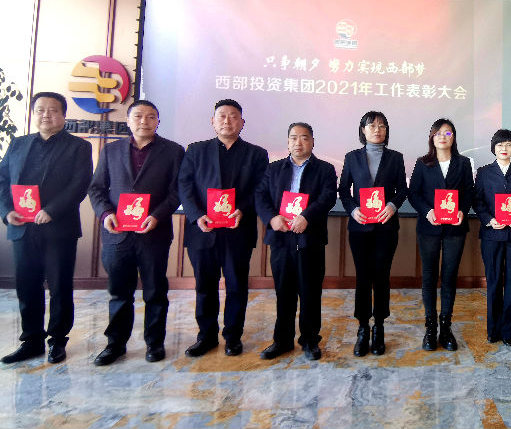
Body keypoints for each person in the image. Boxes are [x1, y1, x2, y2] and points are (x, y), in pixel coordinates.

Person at [86, 100, 185, 365]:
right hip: (117, 234)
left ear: (158, 122)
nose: (144, 121)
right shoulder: (111, 150)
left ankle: (155, 343)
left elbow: (177, 191)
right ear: (128, 121)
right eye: (138, 116)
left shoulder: (173, 151)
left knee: (155, 292)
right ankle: (115, 344)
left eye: (151, 117)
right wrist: (106, 214)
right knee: (119, 292)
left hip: (154, 232)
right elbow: (96, 189)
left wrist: (157, 215)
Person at [0, 92, 92, 364]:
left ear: (63, 115)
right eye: (40, 110)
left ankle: (58, 341)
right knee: (26, 284)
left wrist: (52, 210)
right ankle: (31, 340)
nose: (46, 115)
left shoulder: (78, 146)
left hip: (58, 228)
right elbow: (2, 180)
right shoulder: (18, 144)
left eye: (53, 110)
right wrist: (6, 212)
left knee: (60, 285)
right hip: (22, 227)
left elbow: (79, 184)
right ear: (33, 113)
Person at [178, 99, 269, 357]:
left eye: (233, 116)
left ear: (242, 122)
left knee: (237, 286)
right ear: (213, 121)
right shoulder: (196, 150)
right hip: (203, 230)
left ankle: (233, 337)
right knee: (204, 287)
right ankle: (206, 337)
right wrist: (197, 215)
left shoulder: (256, 154)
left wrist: (243, 208)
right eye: (222, 116)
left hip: (238, 231)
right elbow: (184, 185)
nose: (227, 121)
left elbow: (261, 189)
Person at [255, 122, 337, 360]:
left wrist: (307, 217)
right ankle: (282, 341)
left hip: (310, 240)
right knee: (284, 292)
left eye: (304, 137)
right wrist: (272, 218)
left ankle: (310, 340)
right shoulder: (273, 168)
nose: (298, 142)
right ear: (288, 142)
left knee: (310, 293)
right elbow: (260, 195)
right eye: (293, 138)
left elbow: (328, 196)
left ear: (312, 141)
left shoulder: (325, 169)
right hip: (281, 239)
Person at [338, 111, 408, 356]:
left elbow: (403, 190)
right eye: (371, 125)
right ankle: (362, 328)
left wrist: (392, 205)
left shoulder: (396, 158)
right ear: (363, 130)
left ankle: (379, 326)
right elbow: (343, 190)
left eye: (382, 126)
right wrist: (352, 209)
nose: (377, 130)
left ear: (386, 130)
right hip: (360, 228)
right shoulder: (352, 157)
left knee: (381, 277)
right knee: (362, 277)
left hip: (386, 228)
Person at [408, 119, 474, 351]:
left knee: (449, 277)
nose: (443, 137)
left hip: (455, 228)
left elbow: (469, 192)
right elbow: (413, 193)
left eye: (448, 133)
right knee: (429, 277)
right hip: (429, 228)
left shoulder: (463, 163)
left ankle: (446, 328)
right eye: (438, 133)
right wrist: (427, 211)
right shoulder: (422, 163)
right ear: (432, 137)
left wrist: (462, 210)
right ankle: (430, 328)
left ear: (453, 137)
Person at [473, 129, 511, 346]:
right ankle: (493, 330)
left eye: (508, 144)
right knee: (494, 282)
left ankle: (509, 332)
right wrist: (489, 219)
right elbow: (477, 201)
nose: (504, 149)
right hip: (492, 235)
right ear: (493, 148)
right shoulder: (483, 172)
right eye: (499, 145)